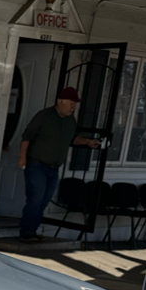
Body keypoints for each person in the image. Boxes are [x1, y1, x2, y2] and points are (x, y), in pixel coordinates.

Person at [17, 86, 101, 241]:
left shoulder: (70, 120)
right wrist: (22, 158)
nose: (73, 107)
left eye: (75, 104)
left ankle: (33, 231)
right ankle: (27, 232)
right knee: (35, 198)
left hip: (54, 168)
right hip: (36, 164)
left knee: (44, 200)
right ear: (60, 101)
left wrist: (87, 142)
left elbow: (71, 139)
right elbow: (27, 136)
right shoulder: (44, 116)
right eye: (71, 103)